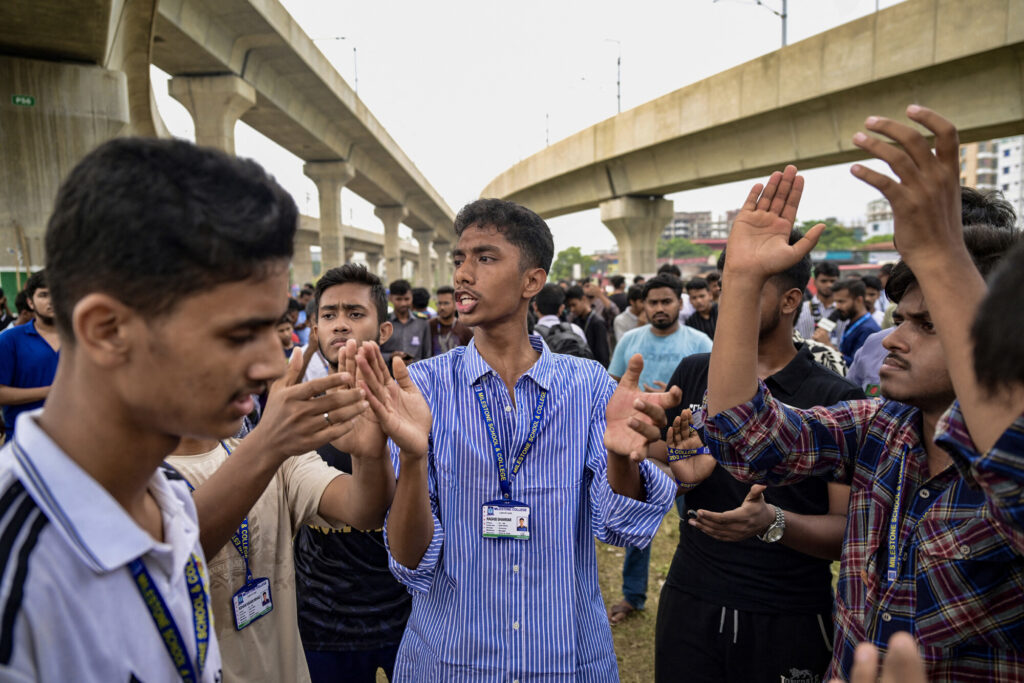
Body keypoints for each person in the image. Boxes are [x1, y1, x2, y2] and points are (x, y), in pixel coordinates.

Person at [704, 107, 1024, 681]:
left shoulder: (1007, 470)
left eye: (929, 325)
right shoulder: (882, 426)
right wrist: (743, 282)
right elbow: (747, 436)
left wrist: (941, 253)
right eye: (902, 317)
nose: (893, 339)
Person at [0, 137, 319, 680]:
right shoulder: (17, 575)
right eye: (241, 332)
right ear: (108, 330)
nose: (272, 364)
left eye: (276, 327)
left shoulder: (167, 499)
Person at [359, 197, 679, 681]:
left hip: (565, 659)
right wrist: (414, 456)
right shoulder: (421, 389)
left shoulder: (586, 385)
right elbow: (409, 561)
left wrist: (620, 457)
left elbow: (618, 526)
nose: (464, 274)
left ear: (533, 281)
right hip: (452, 659)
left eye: (485, 258)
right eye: (459, 260)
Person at [653, 231, 863, 683]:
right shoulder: (693, 371)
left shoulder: (835, 398)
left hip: (787, 613)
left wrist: (773, 522)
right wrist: (673, 469)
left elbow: (849, 530)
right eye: (728, 285)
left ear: (790, 300)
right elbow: (658, 465)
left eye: (751, 287)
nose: (731, 300)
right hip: (692, 599)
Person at [292, 264, 413, 683]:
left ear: (383, 330)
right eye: (328, 315)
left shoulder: (412, 412)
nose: (339, 324)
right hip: (322, 621)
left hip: (407, 613)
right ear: (314, 328)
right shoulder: (295, 414)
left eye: (354, 313)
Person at [606, 274, 712, 625]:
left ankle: (698, 591)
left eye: (667, 301)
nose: (660, 308)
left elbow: (714, 396)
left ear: (679, 304)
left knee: (696, 519)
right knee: (639, 520)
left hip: (689, 446)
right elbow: (614, 385)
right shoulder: (631, 340)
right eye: (653, 302)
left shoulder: (699, 341)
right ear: (642, 306)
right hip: (643, 446)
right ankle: (633, 595)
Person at [0, 270, 60, 442]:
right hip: (24, 442)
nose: (52, 301)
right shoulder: (9, 340)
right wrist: (50, 391)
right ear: (30, 303)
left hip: (77, 443)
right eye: (43, 295)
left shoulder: (82, 339)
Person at [813, 279, 881, 365]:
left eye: (841, 302)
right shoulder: (854, 323)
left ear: (859, 300)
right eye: (836, 302)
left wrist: (828, 346)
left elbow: (857, 367)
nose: (837, 307)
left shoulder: (868, 330)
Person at [380, 279, 431, 366]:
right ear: (390, 298)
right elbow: (375, 353)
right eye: (398, 299)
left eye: (406, 299)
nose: (403, 303)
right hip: (389, 376)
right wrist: (391, 356)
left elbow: (427, 354)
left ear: (412, 297)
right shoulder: (383, 322)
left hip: (416, 376)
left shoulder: (422, 322)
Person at [564, 284, 611, 367]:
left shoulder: (597, 322)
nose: (572, 309)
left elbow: (603, 357)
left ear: (584, 299)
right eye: (569, 306)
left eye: (574, 305)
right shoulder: (575, 320)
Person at [795, 261, 840, 340]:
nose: (828, 285)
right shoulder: (802, 309)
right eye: (823, 281)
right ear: (815, 282)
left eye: (832, 281)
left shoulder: (845, 311)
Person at [428, 285, 472, 355]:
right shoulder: (429, 326)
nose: (442, 307)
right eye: (439, 303)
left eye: (446, 303)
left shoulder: (465, 330)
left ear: (455, 305)